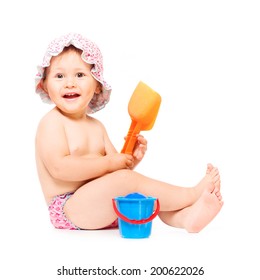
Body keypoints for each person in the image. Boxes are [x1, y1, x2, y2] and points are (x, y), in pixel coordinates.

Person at [35, 33, 223, 233]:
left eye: (80, 75)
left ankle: (184, 218)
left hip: (103, 207)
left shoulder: (97, 127)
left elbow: (117, 174)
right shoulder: (52, 123)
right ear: (45, 85)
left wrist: (129, 160)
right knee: (128, 183)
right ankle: (191, 194)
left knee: (148, 194)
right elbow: (59, 168)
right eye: (59, 76)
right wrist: (109, 163)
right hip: (71, 209)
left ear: (97, 85)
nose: (69, 83)